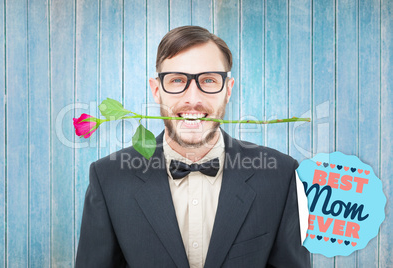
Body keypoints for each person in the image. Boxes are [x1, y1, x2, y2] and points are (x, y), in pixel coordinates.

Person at [75, 25, 310, 268]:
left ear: (228, 90)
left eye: (208, 80)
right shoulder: (108, 179)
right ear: (156, 91)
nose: (193, 99)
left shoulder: (280, 176)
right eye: (177, 80)